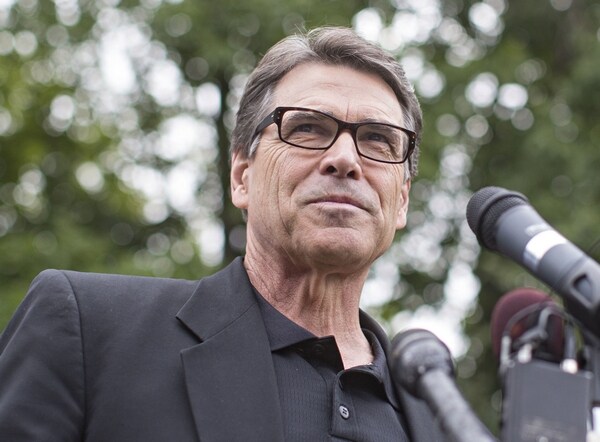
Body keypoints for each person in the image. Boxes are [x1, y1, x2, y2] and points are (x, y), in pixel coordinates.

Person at [0, 27, 444, 441]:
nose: (345, 159)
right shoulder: (89, 331)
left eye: (378, 139)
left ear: (401, 201)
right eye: (308, 128)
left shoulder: (440, 420)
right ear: (241, 176)